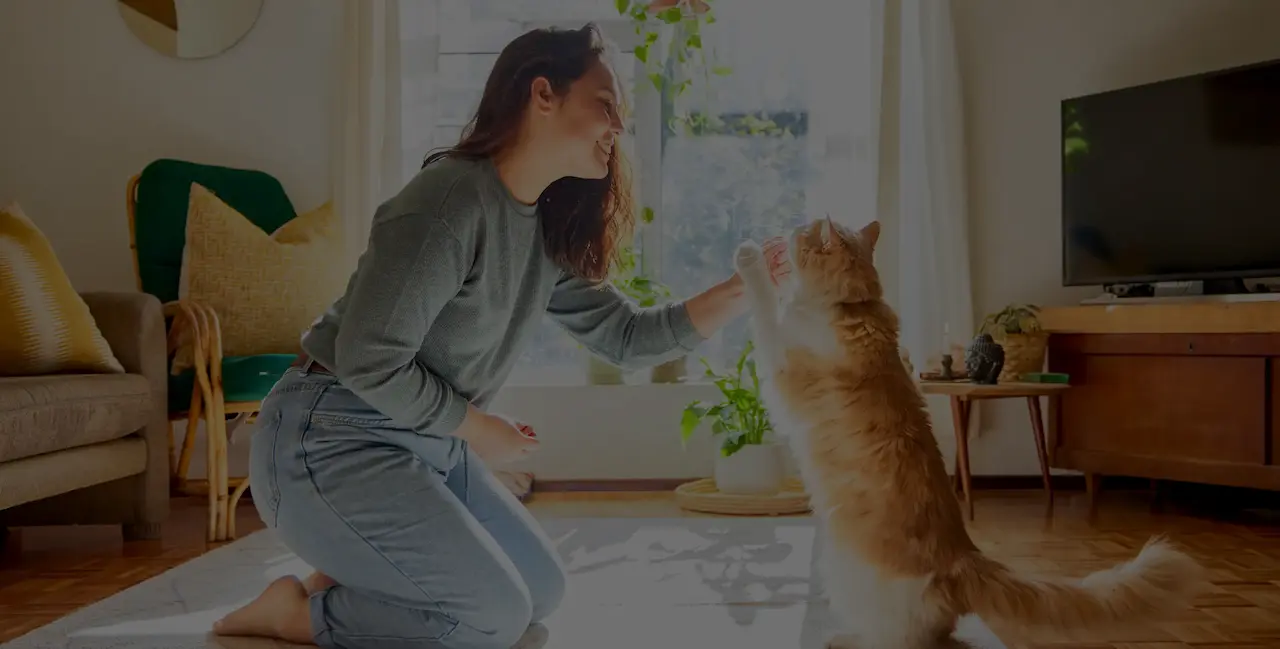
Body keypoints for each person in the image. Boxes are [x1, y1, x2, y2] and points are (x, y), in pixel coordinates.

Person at [212, 23, 790, 649]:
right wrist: (479, 428)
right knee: (488, 618)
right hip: (326, 441)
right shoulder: (449, 202)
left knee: (542, 593)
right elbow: (368, 360)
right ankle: (293, 614)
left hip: (425, 449)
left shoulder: (542, 227)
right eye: (605, 105)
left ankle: (343, 577)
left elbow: (627, 338)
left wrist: (743, 289)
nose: (619, 126)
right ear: (543, 94)